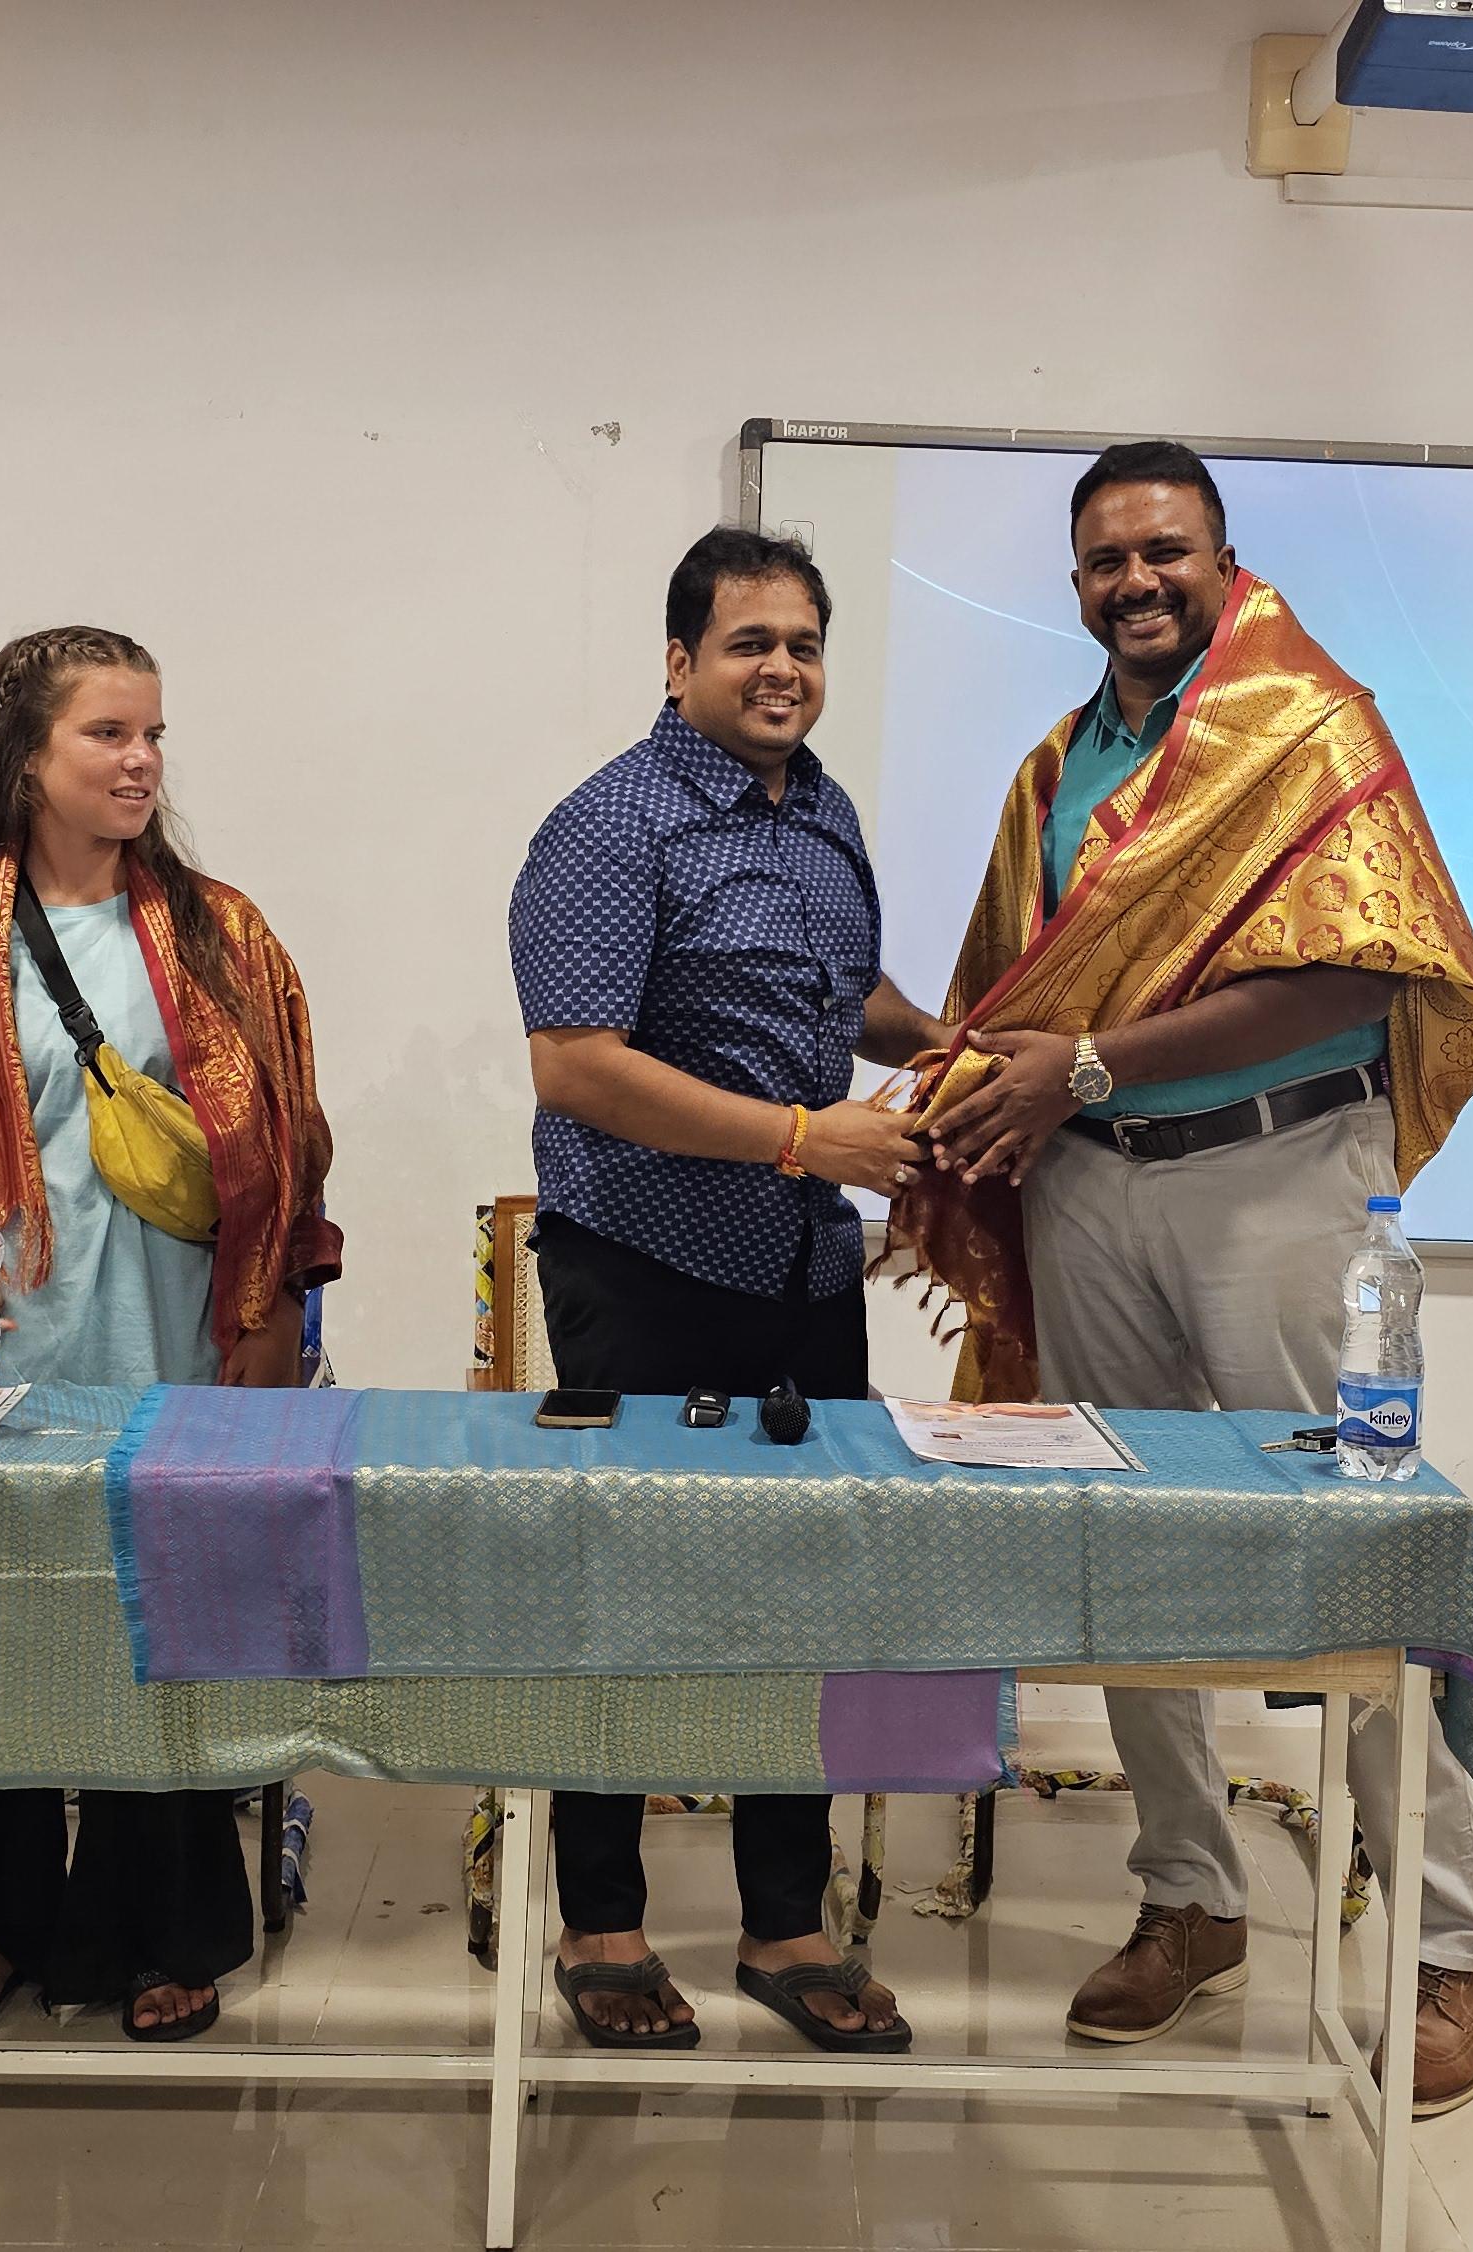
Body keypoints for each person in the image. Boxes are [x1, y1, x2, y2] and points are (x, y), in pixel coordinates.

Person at [890, 442, 1473, 2116]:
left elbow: (1358, 978)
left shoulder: (1312, 728)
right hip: (1090, 1190)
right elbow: (1017, 996)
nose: (1136, 582)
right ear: (1075, 582)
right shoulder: (1060, 767)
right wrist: (985, 1089)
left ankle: (1449, 1949)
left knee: (1356, 1549)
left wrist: (1090, 1064)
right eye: (1106, 560)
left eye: (1165, 551)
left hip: (1278, 1178)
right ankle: (1190, 1894)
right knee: (1125, 1545)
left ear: (1224, 562)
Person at [0, 625, 341, 2041]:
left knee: (161, 1628)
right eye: (107, 733)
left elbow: (293, 1137)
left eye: (153, 734)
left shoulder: (224, 934)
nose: (141, 761)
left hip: (181, 1339)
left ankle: (157, 1927)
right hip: (4, 1356)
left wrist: (273, 1319)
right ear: (25, 756)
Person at [504, 527, 949, 2053]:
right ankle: (602, 1925)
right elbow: (577, 1064)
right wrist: (805, 1138)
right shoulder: (611, 825)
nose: (783, 670)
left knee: (800, 1591)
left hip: (804, 1271)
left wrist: (947, 1046)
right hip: (644, 1265)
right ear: (680, 659)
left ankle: (784, 1925)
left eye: (804, 644)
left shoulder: (822, 812)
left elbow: (843, 992)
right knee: (620, 1595)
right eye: (751, 642)